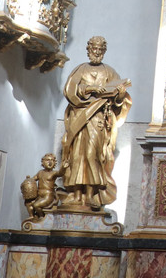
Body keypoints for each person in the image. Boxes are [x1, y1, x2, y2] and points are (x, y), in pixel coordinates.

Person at [60, 37, 131, 211]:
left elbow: (117, 101)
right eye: (94, 49)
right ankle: (76, 194)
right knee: (76, 156)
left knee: (92, 156)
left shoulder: (110, 72)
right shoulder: (80, 70)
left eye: (100, 50)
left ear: (104, 51)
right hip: (79, 117)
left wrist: (120, 95)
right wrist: (91, 89)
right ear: (88, 49)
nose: (96, 52)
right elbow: (70, 91)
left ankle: (91, 195)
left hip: (98, 119)